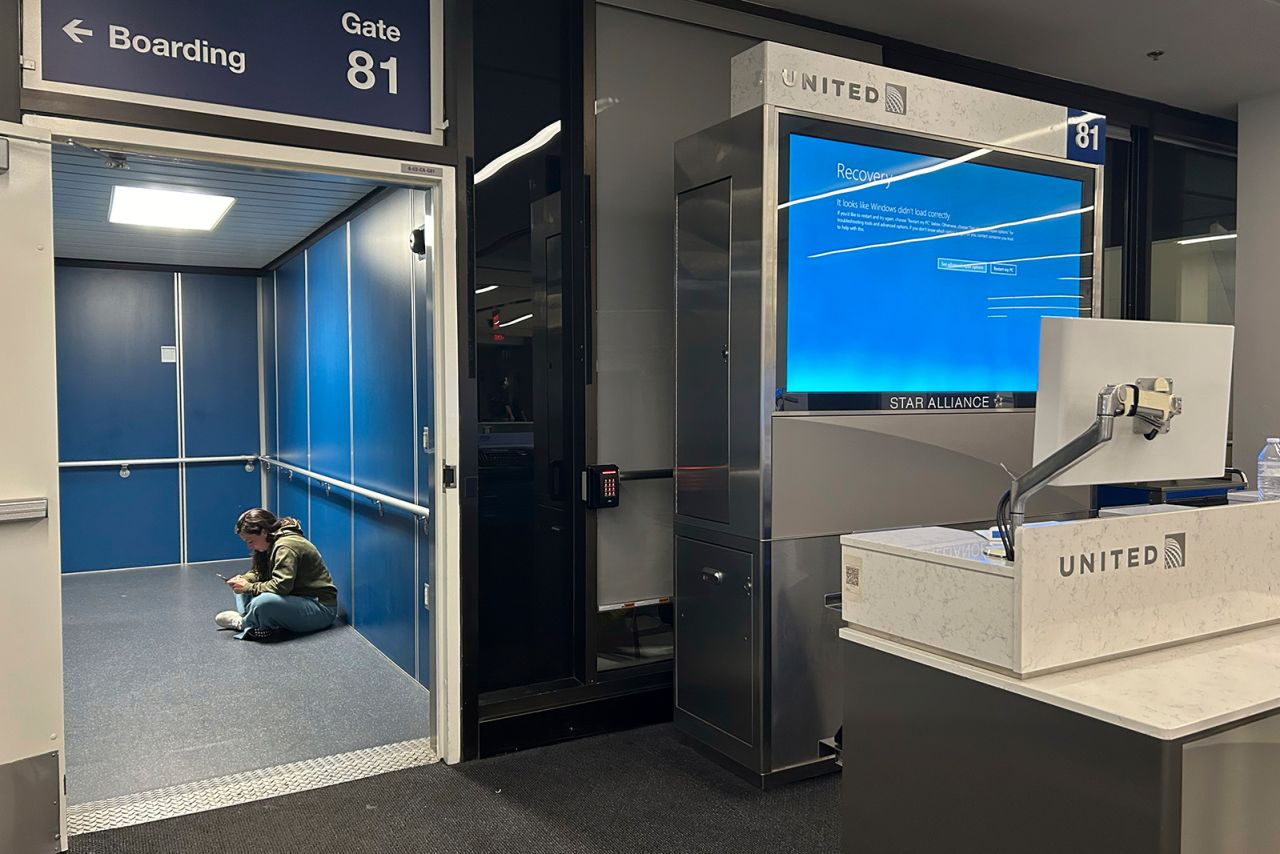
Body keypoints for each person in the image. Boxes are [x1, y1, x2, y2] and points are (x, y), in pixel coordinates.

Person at [215, 509, 338, 641]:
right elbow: (260, 573)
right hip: (296, 598)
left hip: (320, 609)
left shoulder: (285, 547)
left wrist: (248, 587)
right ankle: (252, 619)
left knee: (262, 602)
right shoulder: (270, 541)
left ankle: (244, 623)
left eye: (250, 541)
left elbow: (281, 587)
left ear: (263, 531)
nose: (249, 546)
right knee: (240, 587)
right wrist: (244, 580)